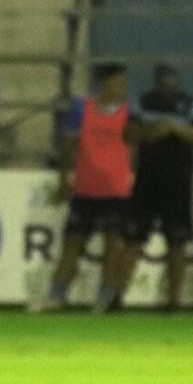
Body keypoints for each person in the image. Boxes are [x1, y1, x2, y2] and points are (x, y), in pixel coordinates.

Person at [116, 64, 193, 311]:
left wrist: (174, 128)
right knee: (134, 239)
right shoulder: (143, 102)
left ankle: (174, 300)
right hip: (147, 180)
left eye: (173, 82)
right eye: (165, 82)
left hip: (178, 181)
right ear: (157, 82)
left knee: (176, 243)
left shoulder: (192, 104)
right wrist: (149, 131)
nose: (170, 87)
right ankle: (117, 295)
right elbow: (128, 134)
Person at [43, 63, 132, 313]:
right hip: (85, 188)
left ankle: (105, 297)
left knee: (112, 244)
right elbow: (69, 146)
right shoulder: (81, 110)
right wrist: (63, 179)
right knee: (72, 242)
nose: (122, 88)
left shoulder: (128, 113)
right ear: (104, 84)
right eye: (118, 82)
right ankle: (56, 294)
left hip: (116, 190)